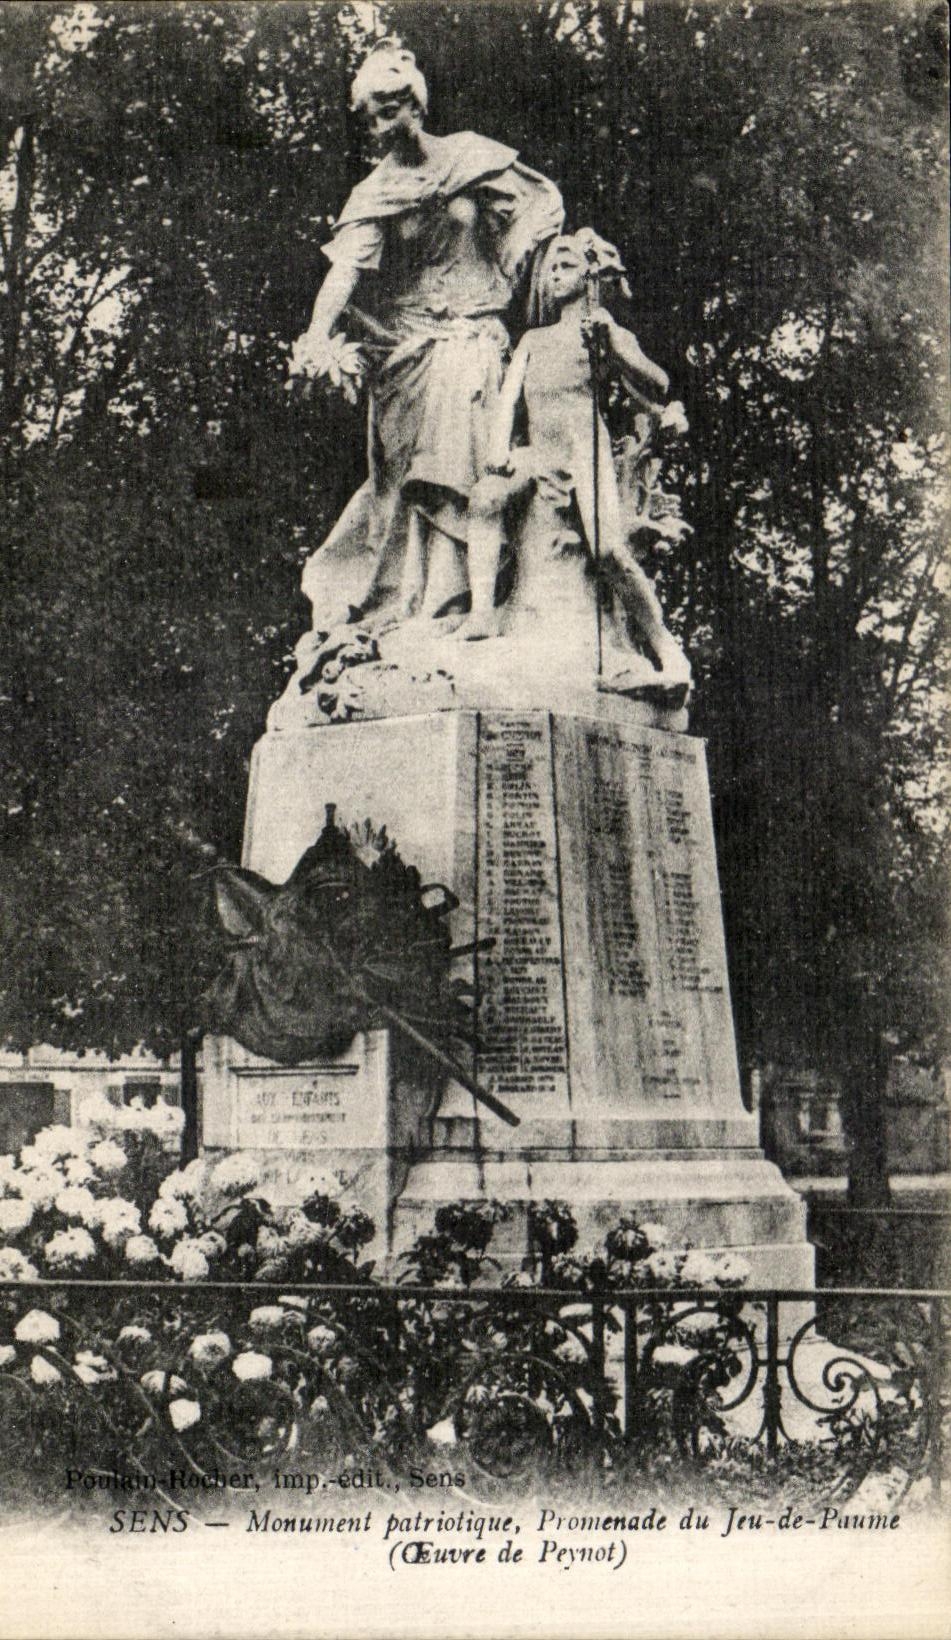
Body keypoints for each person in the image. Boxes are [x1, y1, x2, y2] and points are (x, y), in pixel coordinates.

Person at [290, 40, 564, 636]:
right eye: (369, 118)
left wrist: (523, 273)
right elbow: (345, 274)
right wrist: (316, 336)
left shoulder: (473, 157)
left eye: (387, 112)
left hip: (474, 336)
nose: (379, 128)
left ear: (413, 105)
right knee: (406, 477)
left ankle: (460, 600)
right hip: (408, 351)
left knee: (463, 453)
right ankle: (415, 603)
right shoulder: (375, 193)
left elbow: (536, 218)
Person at [455, 230, 691, 697]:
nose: (554, 276)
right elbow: (508, 400)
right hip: (540, 449)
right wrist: (499, 448)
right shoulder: (533, 340)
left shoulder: (604, 331)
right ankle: (481, 611)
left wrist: (613, 347)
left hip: (584, 449)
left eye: (564, 266)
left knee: (608, 551)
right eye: (552, 268)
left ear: (590, 273)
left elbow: (657, 384)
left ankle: (665, 646)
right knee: (485, 498)